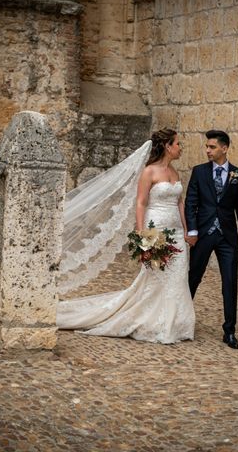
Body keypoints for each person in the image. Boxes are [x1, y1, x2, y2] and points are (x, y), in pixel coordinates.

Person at [56, 128, 195, 344]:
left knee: (177, 277)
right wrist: (142, 235)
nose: (180, 148)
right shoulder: (149, 171)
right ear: (168, 146)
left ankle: (175, 323)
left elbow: (179, 202)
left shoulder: (175, 172)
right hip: (155, 227)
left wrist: (186, 229)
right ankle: (153, 321)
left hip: (175, 231)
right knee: (156, 276)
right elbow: (141, 202)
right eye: (177, 144)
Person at [185, 130, 238, 349]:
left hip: (227, 238)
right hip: (203, 234)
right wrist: (192, 231)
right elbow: (190, 203)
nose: (208, 150)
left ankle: (229, 331)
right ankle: (182, 321)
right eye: (207, 147)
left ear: (224, 148)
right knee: (193, 278)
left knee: (230, 282)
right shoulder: (199, 172)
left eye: (212, 147)